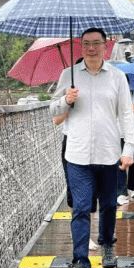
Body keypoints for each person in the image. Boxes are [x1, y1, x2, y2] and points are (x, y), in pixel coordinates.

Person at [50, 28, 134, 268]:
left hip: (109, 154)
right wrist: (66, 98)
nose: (91, 48)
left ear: (105, 46)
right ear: (81, 46)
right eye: (86, 43)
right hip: (77, 154)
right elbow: (52, 111)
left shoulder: (118, 77)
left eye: (96, 43)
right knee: (82, 207)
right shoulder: (69, 75)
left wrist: (129, 148)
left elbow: (126, 114)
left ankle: (107, 243)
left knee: (109, 204)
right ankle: (81, 264)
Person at [54, 58, 99, 251]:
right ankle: (81, 236)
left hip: (98, 145)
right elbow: (56, 120)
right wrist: (68, 101)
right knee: (76, 193)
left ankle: (89, 233)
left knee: (94, 192)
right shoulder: (69, 88)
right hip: (73, 144)